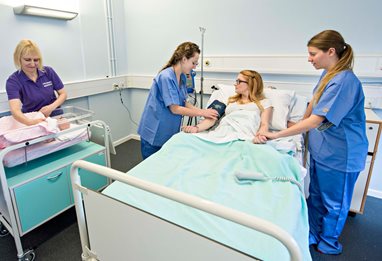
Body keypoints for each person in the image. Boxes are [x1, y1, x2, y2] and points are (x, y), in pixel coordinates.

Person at [259, 30, 368, 255]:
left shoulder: (344, 81)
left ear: (330, 51)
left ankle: (328, 243)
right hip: (323, 149)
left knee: (334, 203)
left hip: (341, 153)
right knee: (316, 196)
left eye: (312, 54)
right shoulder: (328, 74)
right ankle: (313, 234)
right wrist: (297, 127)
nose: (309, 58)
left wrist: (280, 134)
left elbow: (318, 119)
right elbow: (313, 106)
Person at [138, 42, 219, 159]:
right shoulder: (166, 77)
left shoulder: (182, 77)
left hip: (168, 130)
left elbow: (183, 102)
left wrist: (202, 111)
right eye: (193, 63)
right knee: (151, 168)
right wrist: (202, 113)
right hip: (154, 131)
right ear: (184, 59)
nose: (195, 66)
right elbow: (175, 108)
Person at [183, 70, 272, 144]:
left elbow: (264, 124)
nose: (235, 84)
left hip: (244, 135)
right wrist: (196, 128)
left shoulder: (264, 102)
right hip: (223, 132)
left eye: (239, 81)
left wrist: (260, 136)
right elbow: (212, 118)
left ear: (250, 84)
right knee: (181, 140)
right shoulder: (229, 100)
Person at [6, 39, 67, 126]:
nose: (32, 64)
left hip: (55, 115)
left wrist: (51, 107)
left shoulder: (48, 72)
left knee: (65, 128)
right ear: (18, 59)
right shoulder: (13, 81)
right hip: (32, 119)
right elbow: (15, 110)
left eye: (36, 60)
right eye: (27, 60)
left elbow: (63, 94)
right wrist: (31, 122)